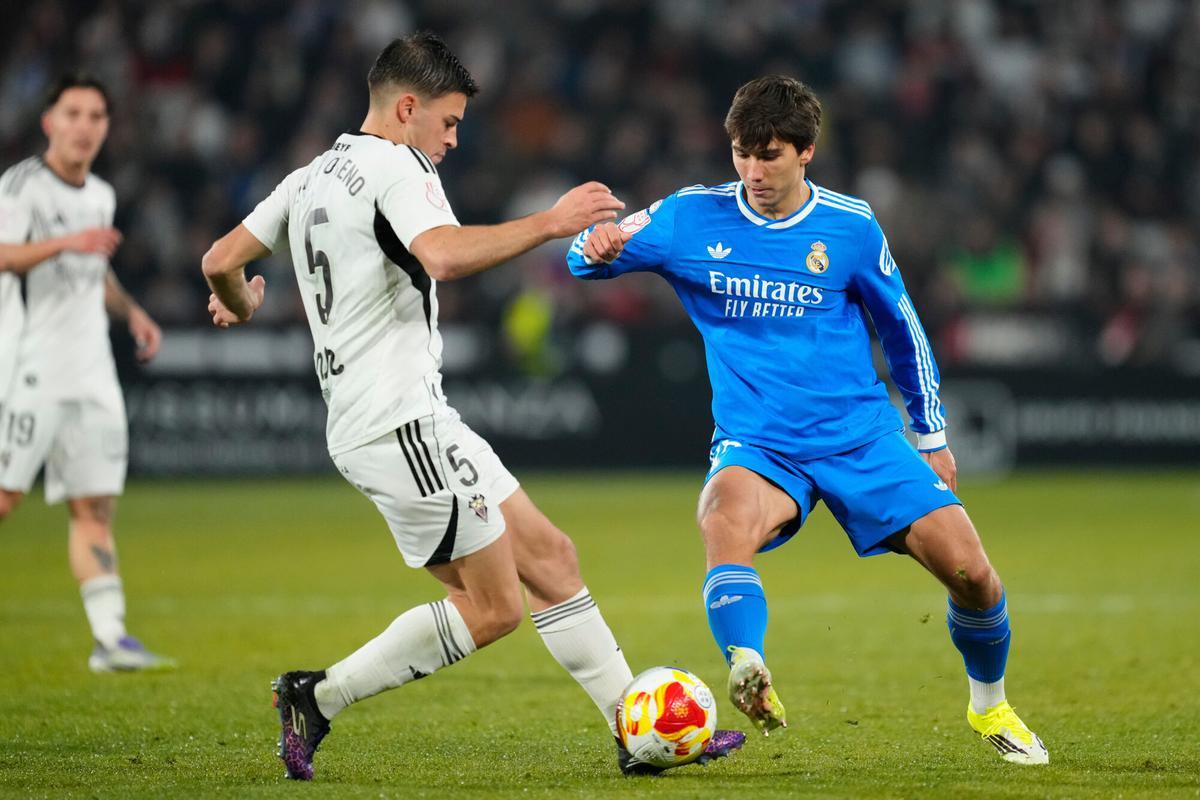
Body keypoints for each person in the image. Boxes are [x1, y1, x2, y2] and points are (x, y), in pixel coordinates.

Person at [200, 32, 742, 780]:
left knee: (552, 558)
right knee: (494, 609)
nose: (453, 139)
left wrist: (240, 302)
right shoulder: (398, 167)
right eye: (449, 121)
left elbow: (219, 261)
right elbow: (444, 255)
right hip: (398, 423)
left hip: (401, 419)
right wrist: (552, 223)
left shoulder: (310, 176)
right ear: (408, 107)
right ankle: (316, 696)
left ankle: (634, 731)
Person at [567, 75, 1048, 765]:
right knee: (723, 520)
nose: (753, 172)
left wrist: (931, 435)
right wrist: (595, 246)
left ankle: (990, 704)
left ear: (806, 151)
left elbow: (903, 331)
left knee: (973, 574)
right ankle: (746, 664)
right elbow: (583, 258)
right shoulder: (689, 216)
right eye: (742, 154)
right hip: (760, 442)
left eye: (769, 155)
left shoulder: (850, 226)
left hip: (860, 438)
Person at [0, 73, 173, 673]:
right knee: (5, 498)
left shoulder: (99, 193)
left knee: (94, 508)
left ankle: (110, 639)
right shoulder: (22, 186)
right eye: (73, 113)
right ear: (49, 122)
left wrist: (133, 313)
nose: (85, 126)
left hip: (93, 372)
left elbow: (96, 272)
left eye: (96, 116)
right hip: (30, 367)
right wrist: (66, 243)